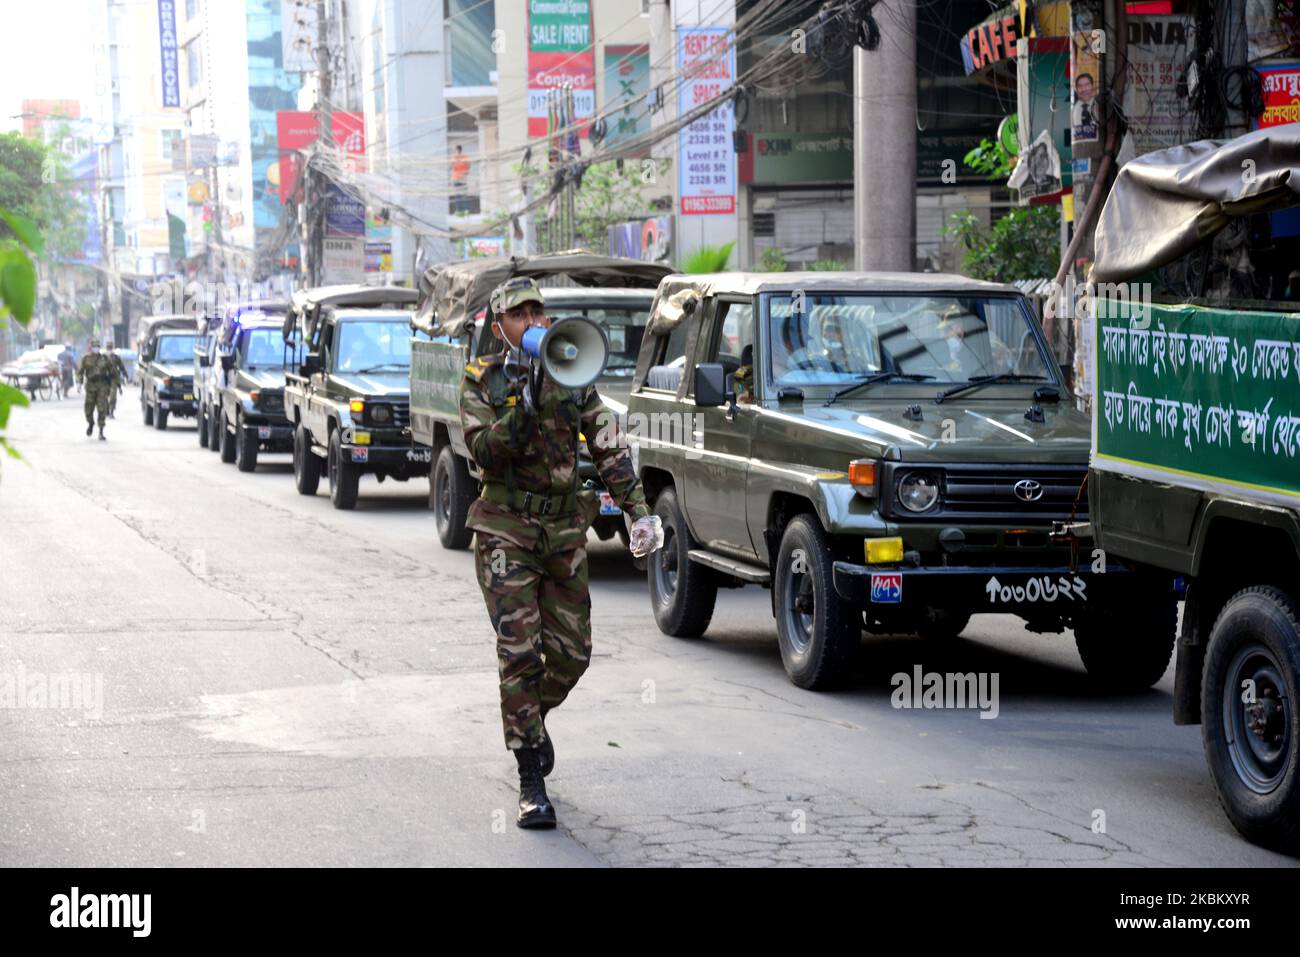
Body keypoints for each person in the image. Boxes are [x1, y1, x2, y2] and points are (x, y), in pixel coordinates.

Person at [459, 276, 662, 830]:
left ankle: (532, 720)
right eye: (519, 314)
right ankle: (530, 777)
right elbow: (484, 452)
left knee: (573, 655)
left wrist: (638, 511)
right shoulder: (482, 380)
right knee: (520, 652)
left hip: (563, 529)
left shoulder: (573, 369)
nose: (533, 322)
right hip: (505, 530)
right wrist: (522, 404)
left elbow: (607, 442)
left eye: (538, 312)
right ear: (499, 326)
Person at [76, 340, 117, 440]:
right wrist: (79, 383)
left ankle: (101, 431)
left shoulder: (105, 359)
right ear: (91, 347)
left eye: (98, 346)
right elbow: (80, 372)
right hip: (90, 386)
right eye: (94, 346)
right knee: (88, 410)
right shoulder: (86, 359)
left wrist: (115, 383)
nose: (96, 348)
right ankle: (91, 424)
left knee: (102, 409)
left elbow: (113, 371)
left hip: (102, 386)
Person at [106, 343, 127, 418]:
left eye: (110, 348)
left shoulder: (116, 357)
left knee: (113, 395)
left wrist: (125, 375)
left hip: (114, 379)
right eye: (108, 348)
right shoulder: (103, 357)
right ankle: (107, 411)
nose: (109, 349)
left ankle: (111, 412)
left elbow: (121, 366)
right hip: (105, 379)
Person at [450, 145, 471, 214]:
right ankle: (460, 210)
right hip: (458, 178)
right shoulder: (455, 157)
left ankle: (464, 209)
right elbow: (452, 167)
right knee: (459, 195)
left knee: (462, 194)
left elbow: (468, 166)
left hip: (461, 178)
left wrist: (464, 172)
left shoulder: (463, 157)